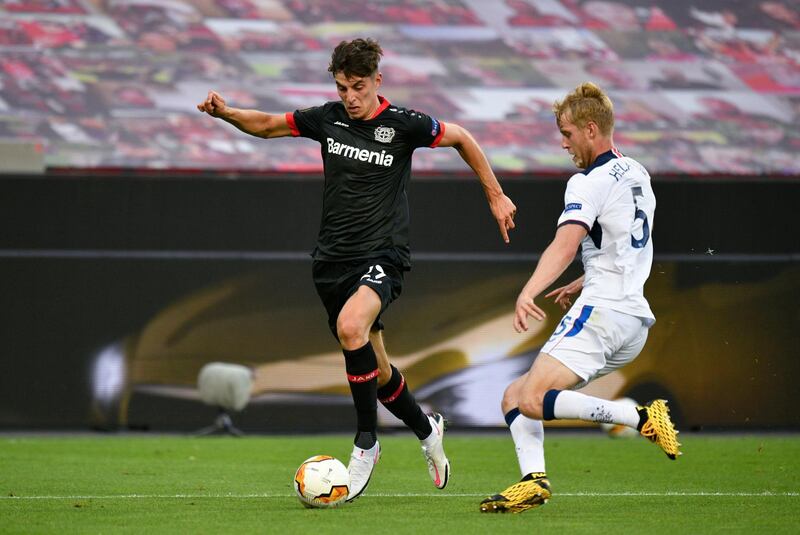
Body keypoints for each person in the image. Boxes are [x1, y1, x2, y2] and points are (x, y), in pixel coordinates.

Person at [197, 38, 517, 502]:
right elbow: (267, 125)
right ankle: (427, 429)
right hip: (331, 263)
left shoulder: (403, 125)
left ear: (377, 82)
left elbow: (462, 137)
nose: (349, 96)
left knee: (352, 328)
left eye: (358, 86)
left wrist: (494, 194)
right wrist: (225, 112)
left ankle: (366, 442)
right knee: (379, 370)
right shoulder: (326, 119)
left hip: (383, 255)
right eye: (343, 86)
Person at [479, 82, 680, 514]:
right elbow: (627, 244)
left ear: (591, 129)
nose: (563, 142)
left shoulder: (586, 182)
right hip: (632, 322)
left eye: (567, 133)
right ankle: (533, 481)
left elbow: (565, 244)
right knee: (515, 396)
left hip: (603, 312)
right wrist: (584, 278)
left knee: (532, 399)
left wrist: (528, 291)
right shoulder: (638, 173)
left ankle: (638, 417)